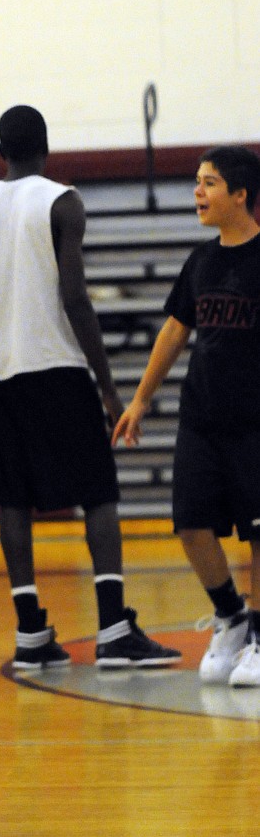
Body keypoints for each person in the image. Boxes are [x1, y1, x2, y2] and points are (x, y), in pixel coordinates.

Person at [0, 105, 181, 671]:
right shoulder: (62, 200)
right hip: (57, 366)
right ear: (46, 146)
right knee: (98, 492)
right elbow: (75, 297)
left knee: (13, 499)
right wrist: (107, 388)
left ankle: (30, 631)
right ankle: (112, 627)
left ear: (0, 149)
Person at [113, 145, 260, 688]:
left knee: (258, 532)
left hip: (253, 424)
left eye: (210, 184)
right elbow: (175, 330)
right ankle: (232, 616)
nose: (198, 192)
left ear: (241, 194)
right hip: (201, 418)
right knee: (190, 523)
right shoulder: (200, 262)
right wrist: (141, 399)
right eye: (198, 182)